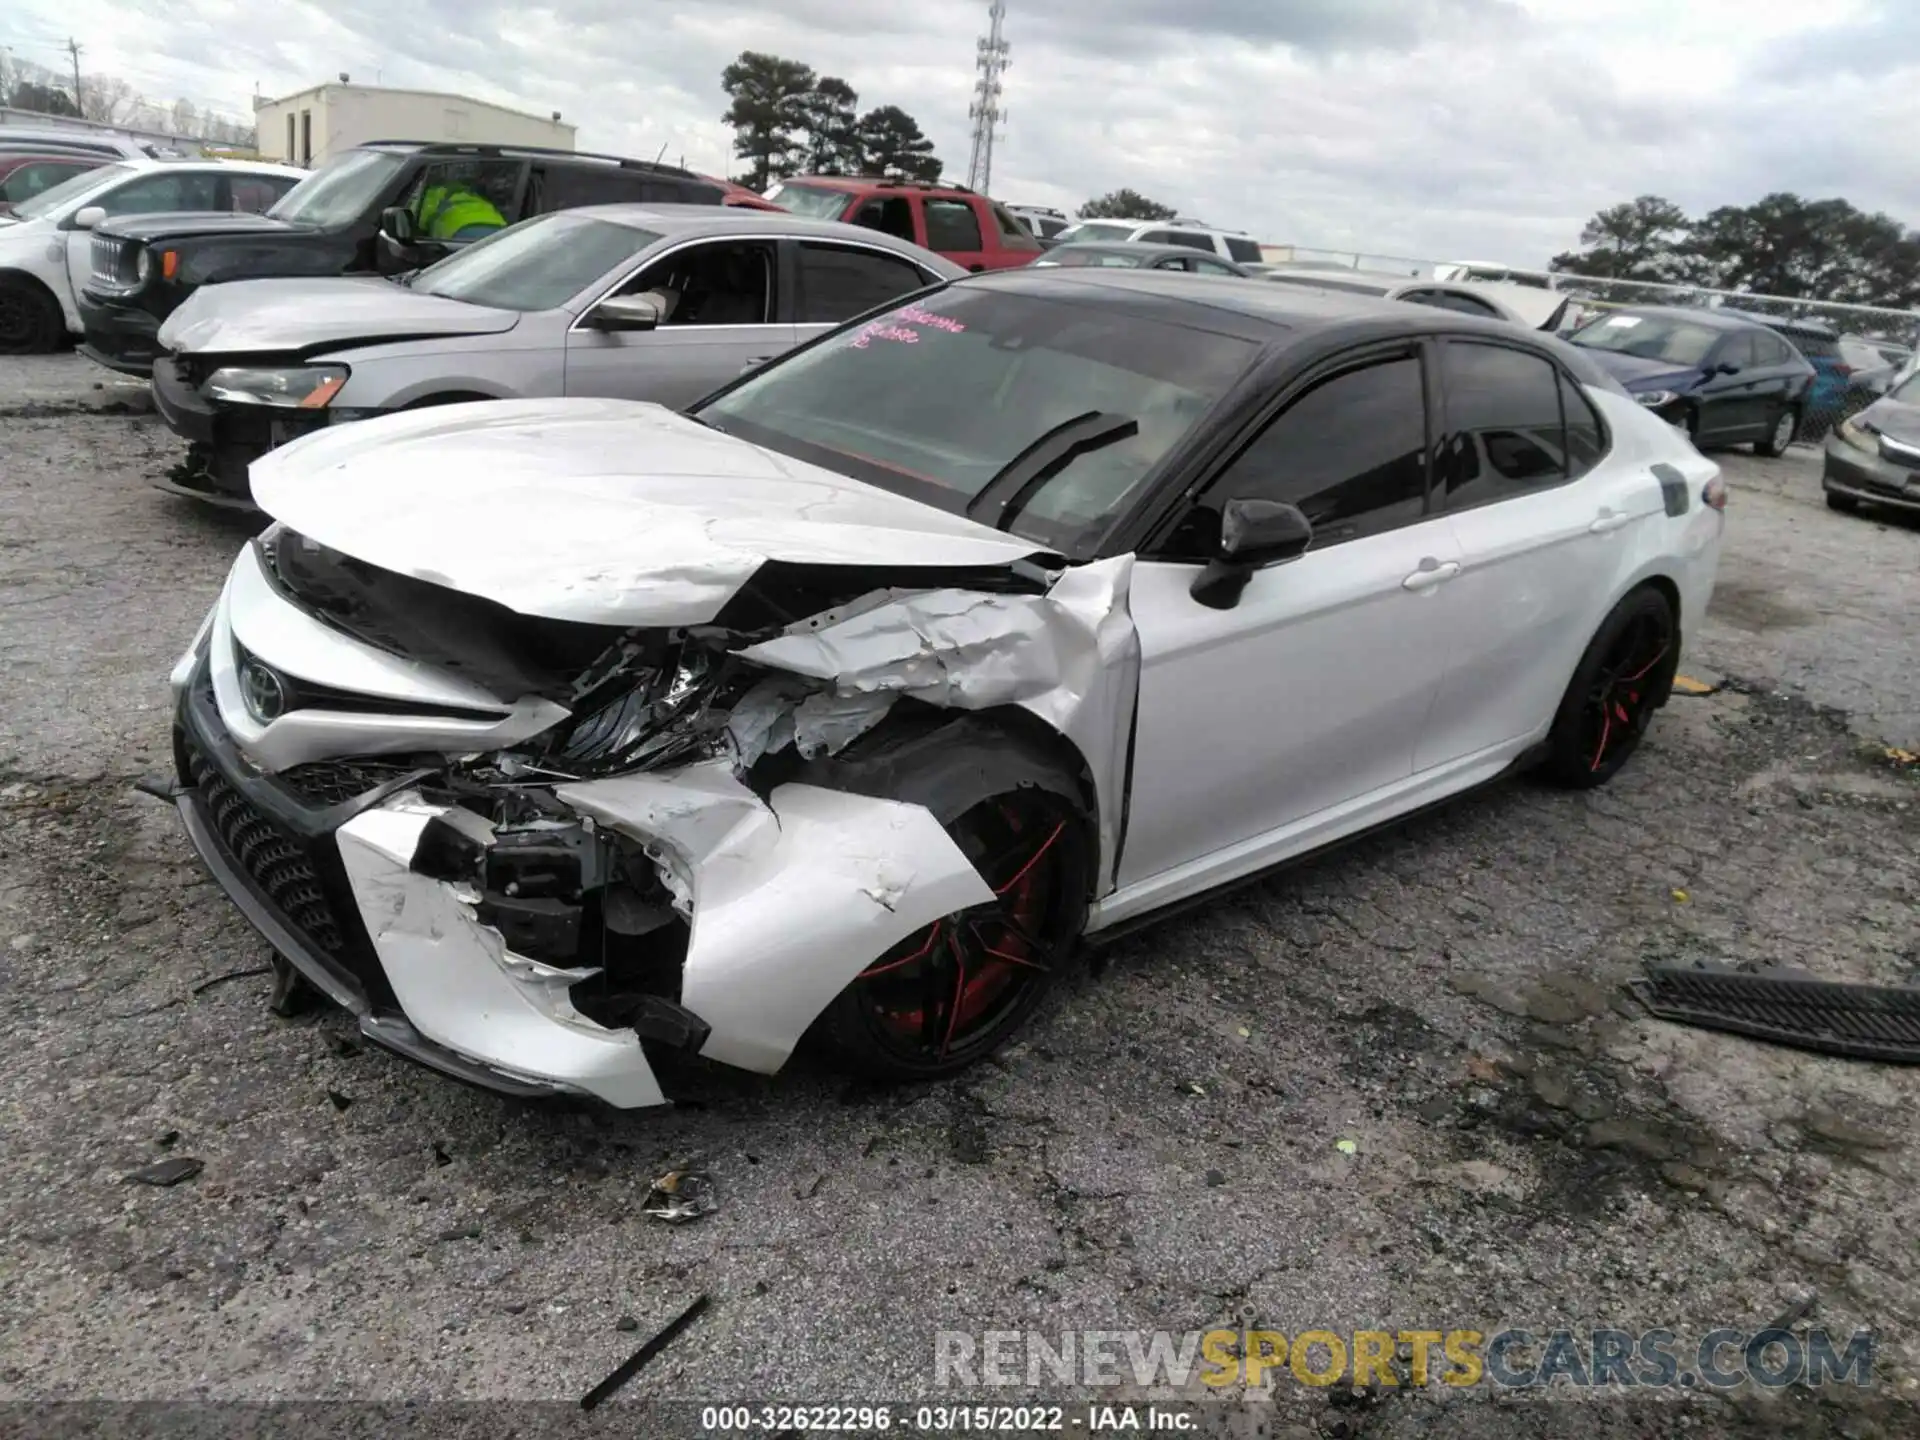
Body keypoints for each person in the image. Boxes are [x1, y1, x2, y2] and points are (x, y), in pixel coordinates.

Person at [416, 178, 505, 241]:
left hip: (462, 231)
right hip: (497, 226)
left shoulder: (428, 194)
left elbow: (412, 222)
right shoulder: (468, 191)